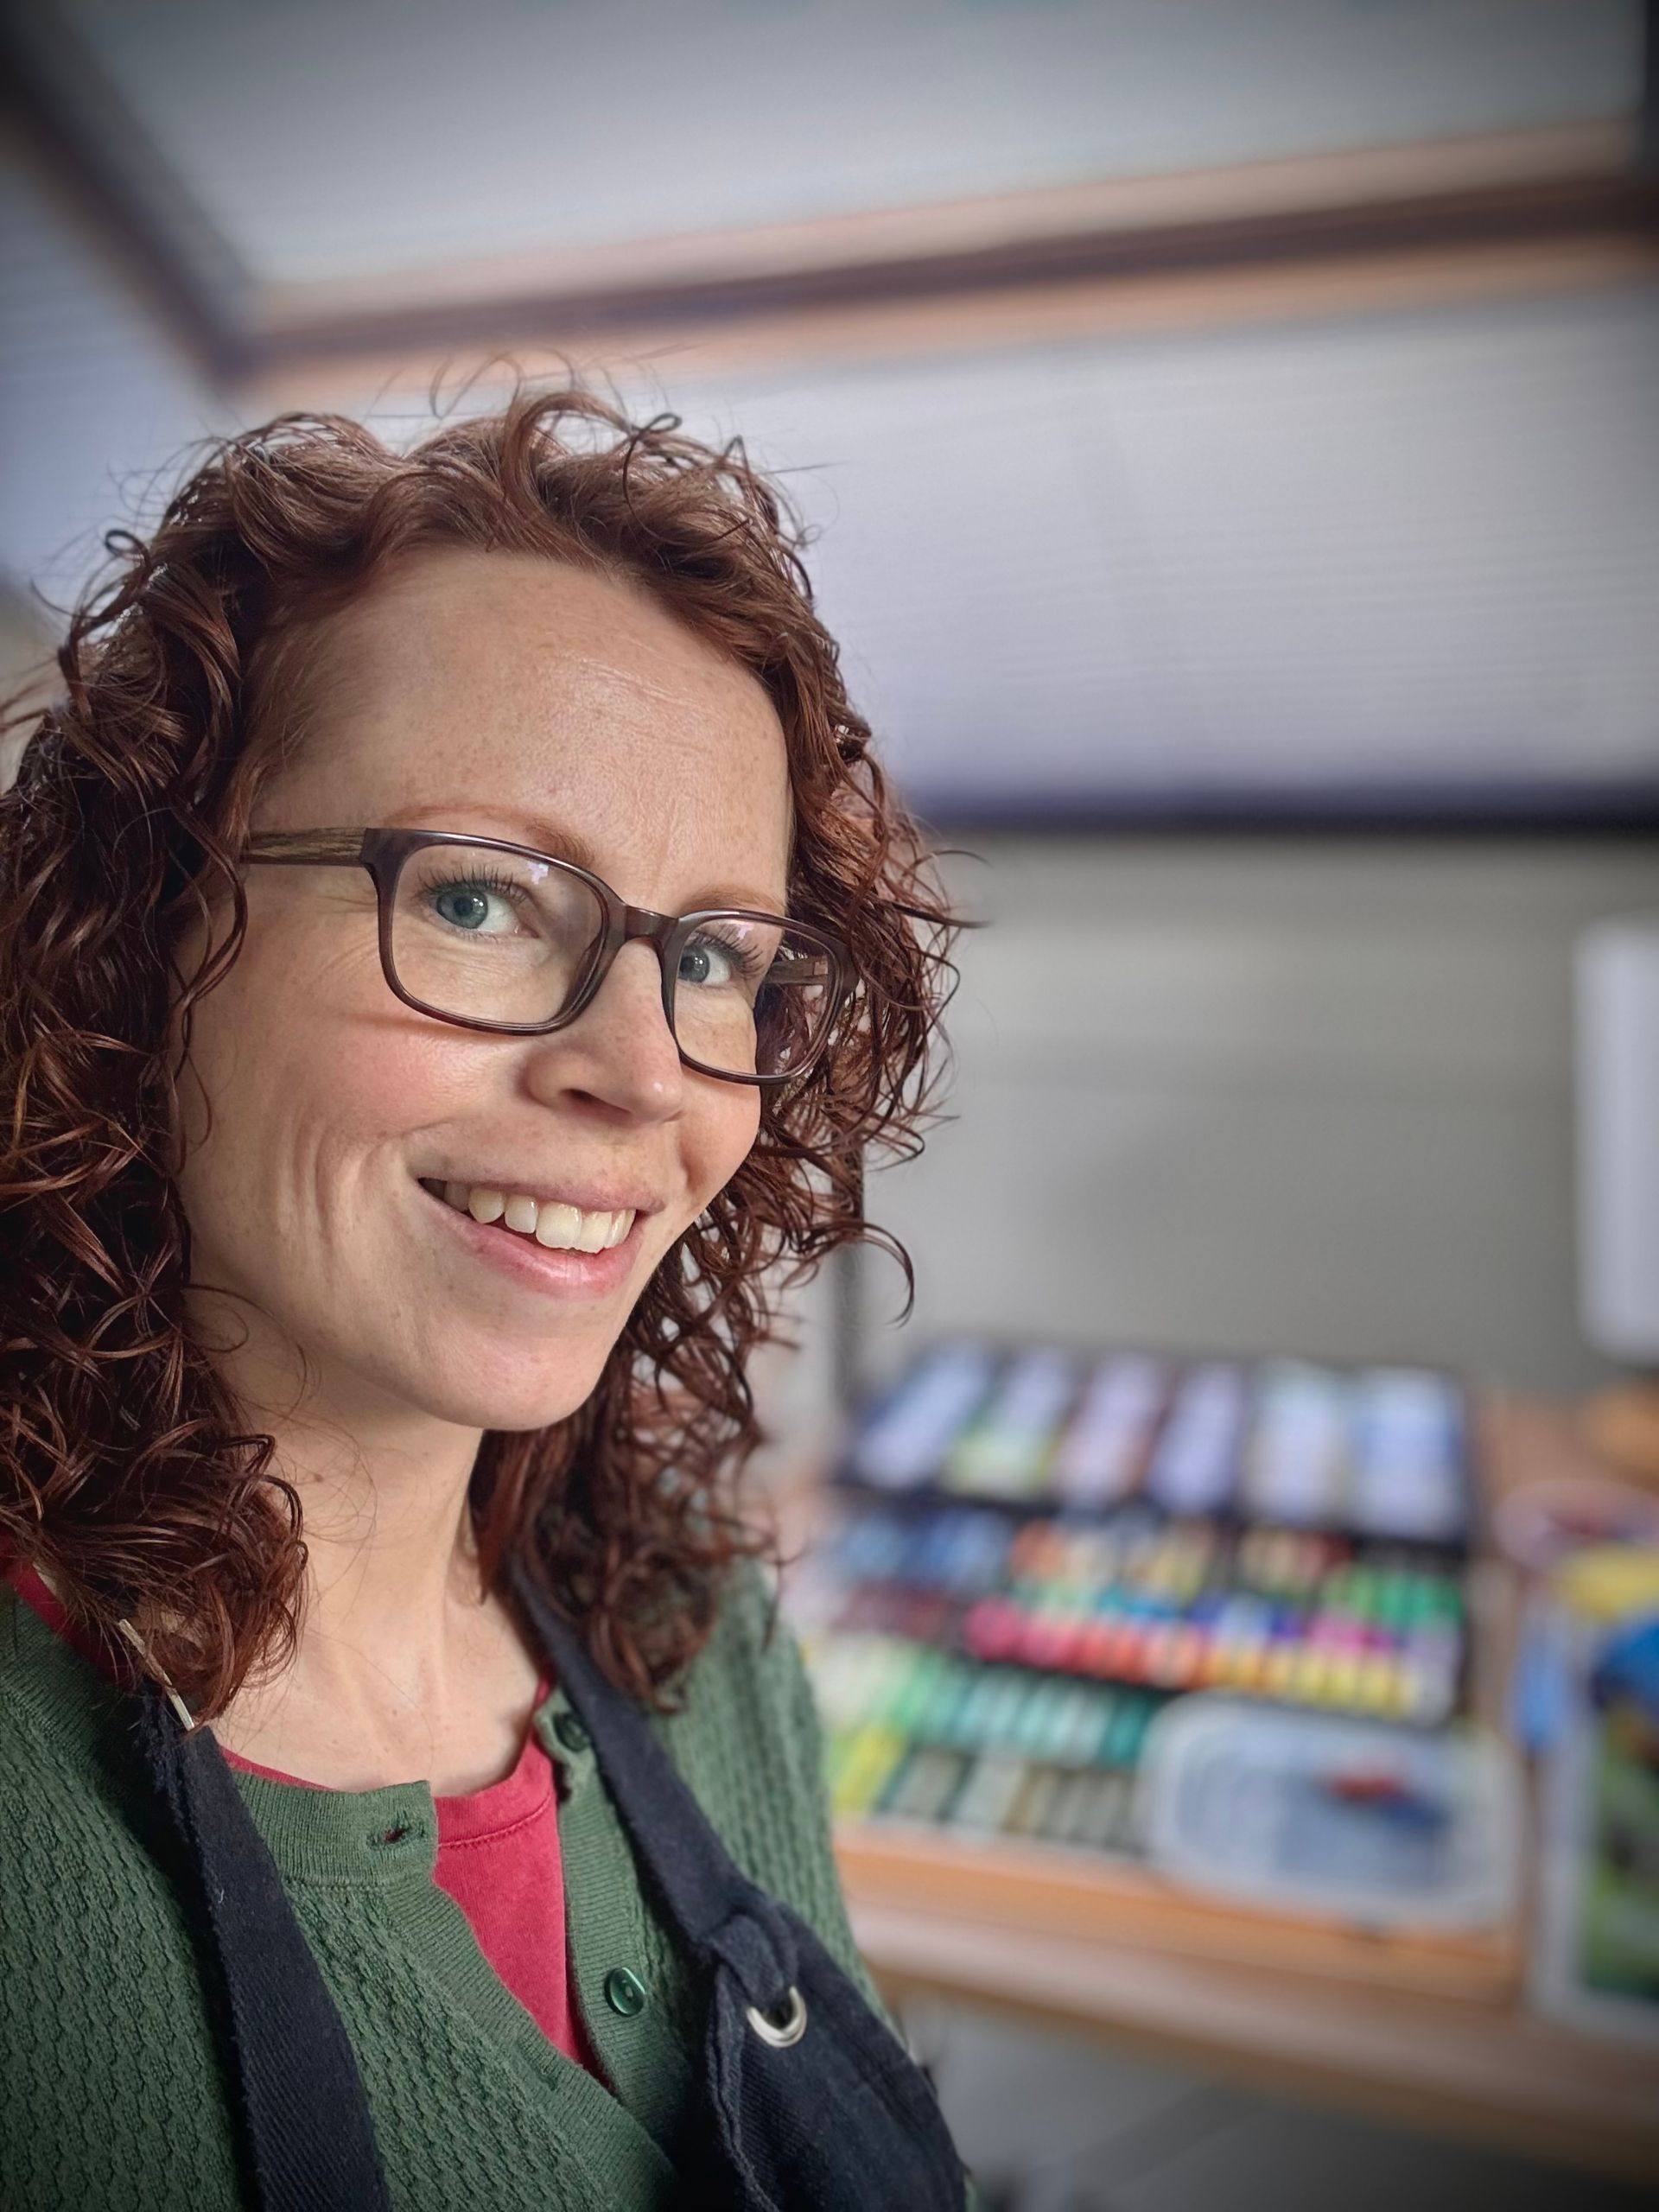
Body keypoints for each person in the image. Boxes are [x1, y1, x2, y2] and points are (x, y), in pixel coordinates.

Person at [0, 387, 969, 2209]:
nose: (641, 1069)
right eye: (476, 900)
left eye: (707, 956)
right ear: (142, 934)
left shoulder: (702, 1627)